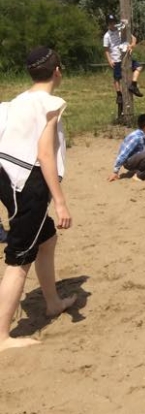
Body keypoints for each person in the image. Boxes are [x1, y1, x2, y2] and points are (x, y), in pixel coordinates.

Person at [0, 46, 76, 351]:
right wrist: (60, 201)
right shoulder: (50, 104)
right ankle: (2, 336)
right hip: (28, 184)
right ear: (57, 72)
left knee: (47, 238)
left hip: (6, 178)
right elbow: (44, 155)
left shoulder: (17, 101)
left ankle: (52, 302)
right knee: (19, 258)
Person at [103, 14, 143, 119]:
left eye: (113, 22)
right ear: (107, 24)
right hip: (116, 59)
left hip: (126, 58)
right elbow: (106, 50)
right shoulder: (107, 36)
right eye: (110, 23)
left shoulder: (121, 30)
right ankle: (119, 94)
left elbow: (133, 38)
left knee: (138, 67)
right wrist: (109, 60)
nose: (112, 24)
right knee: (117, 78)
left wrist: (132, 45)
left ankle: (133, 85)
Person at [106, 113, 145, 182]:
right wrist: (115, 171)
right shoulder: (136, 137)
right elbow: (123, 154)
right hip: (129, 162)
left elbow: (144, 152)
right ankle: (138, 176)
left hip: (137, 159)